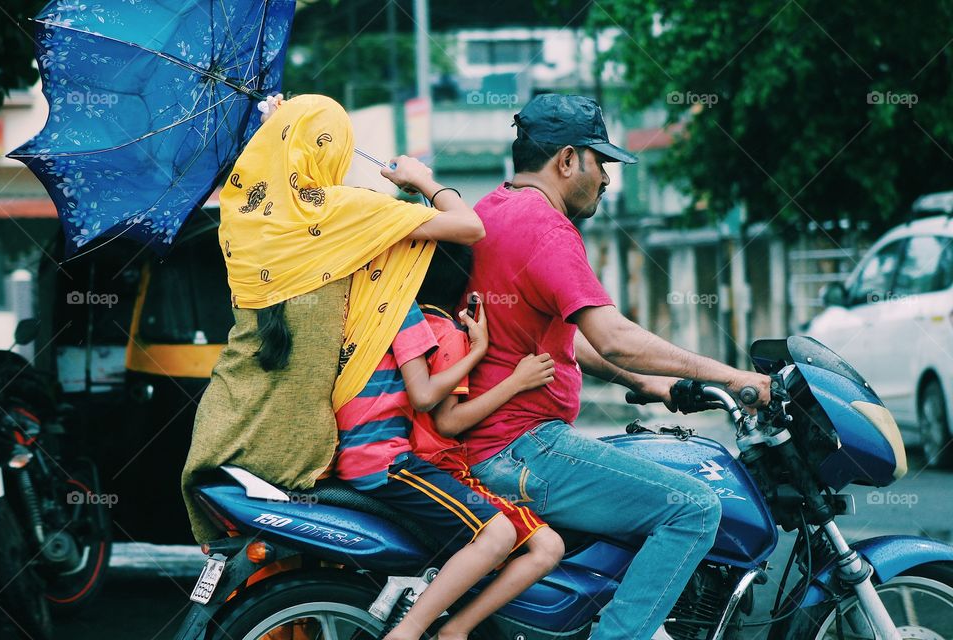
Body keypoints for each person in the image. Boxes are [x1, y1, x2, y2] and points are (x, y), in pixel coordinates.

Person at [462, 94, 772, 640]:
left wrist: (646, 383)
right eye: (599, 162)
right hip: (523, 446)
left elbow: (560, 341)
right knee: (694, 508)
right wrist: (734, 375)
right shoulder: (549, 229)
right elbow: (614, 336)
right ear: (565, 161)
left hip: (491, 443)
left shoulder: (489, 212)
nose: (606, 178)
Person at [181, 94, 484, 544]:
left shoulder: (242, 217)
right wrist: (422, 181)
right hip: (297, 445)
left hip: (224, 424)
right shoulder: (343, 210)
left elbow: (266, 178)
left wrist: (276, 128)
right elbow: (470, 227)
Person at [333, 241, 564, 640]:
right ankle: (440, 631)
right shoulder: (439, 331)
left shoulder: (375, 318)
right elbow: (447, 422)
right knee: (541, 546)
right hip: (403, 462)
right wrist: (507, 372)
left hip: (371, 457)